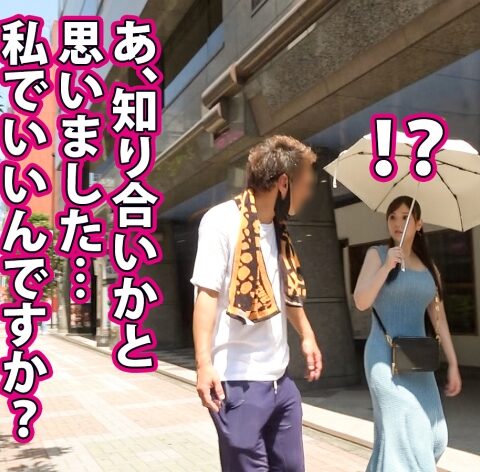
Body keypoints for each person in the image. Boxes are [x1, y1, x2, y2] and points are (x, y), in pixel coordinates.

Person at [190, 135, 323, 471]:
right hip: (237, 383)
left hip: (281, 382)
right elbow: (207, 295)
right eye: (305, 185)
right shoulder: (221, 221)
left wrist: (307, 334)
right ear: (284, 183)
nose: (308, 193)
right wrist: (203, 363)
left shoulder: (278, 230)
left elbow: (285, 293)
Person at [353, 195, 462, 471]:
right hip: (382, 357)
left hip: (417, 360)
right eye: (392, 217)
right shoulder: (378, 255)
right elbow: (361, 301)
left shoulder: (429, 269)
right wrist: (386, 267)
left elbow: (439, 319)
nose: (397, 223)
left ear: (419, 224)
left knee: (436, 434)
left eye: (405, 217)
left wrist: (453, 363)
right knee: (402, 429)